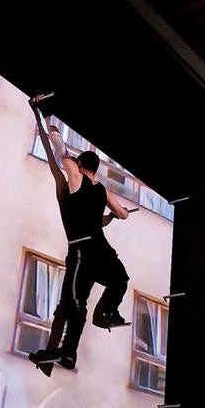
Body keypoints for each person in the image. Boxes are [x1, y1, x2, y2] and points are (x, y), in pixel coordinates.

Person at [27, 94, 131, 375]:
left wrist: (46, 118)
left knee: (75, 304)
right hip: (102, 249)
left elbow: (59, 151)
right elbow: (121, 214)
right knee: (120, 279)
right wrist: (111, 215)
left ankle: (68, 349)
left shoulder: (76, 177)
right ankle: (106, 313)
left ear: (81, 165)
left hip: (82, 251)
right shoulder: (102, 190)